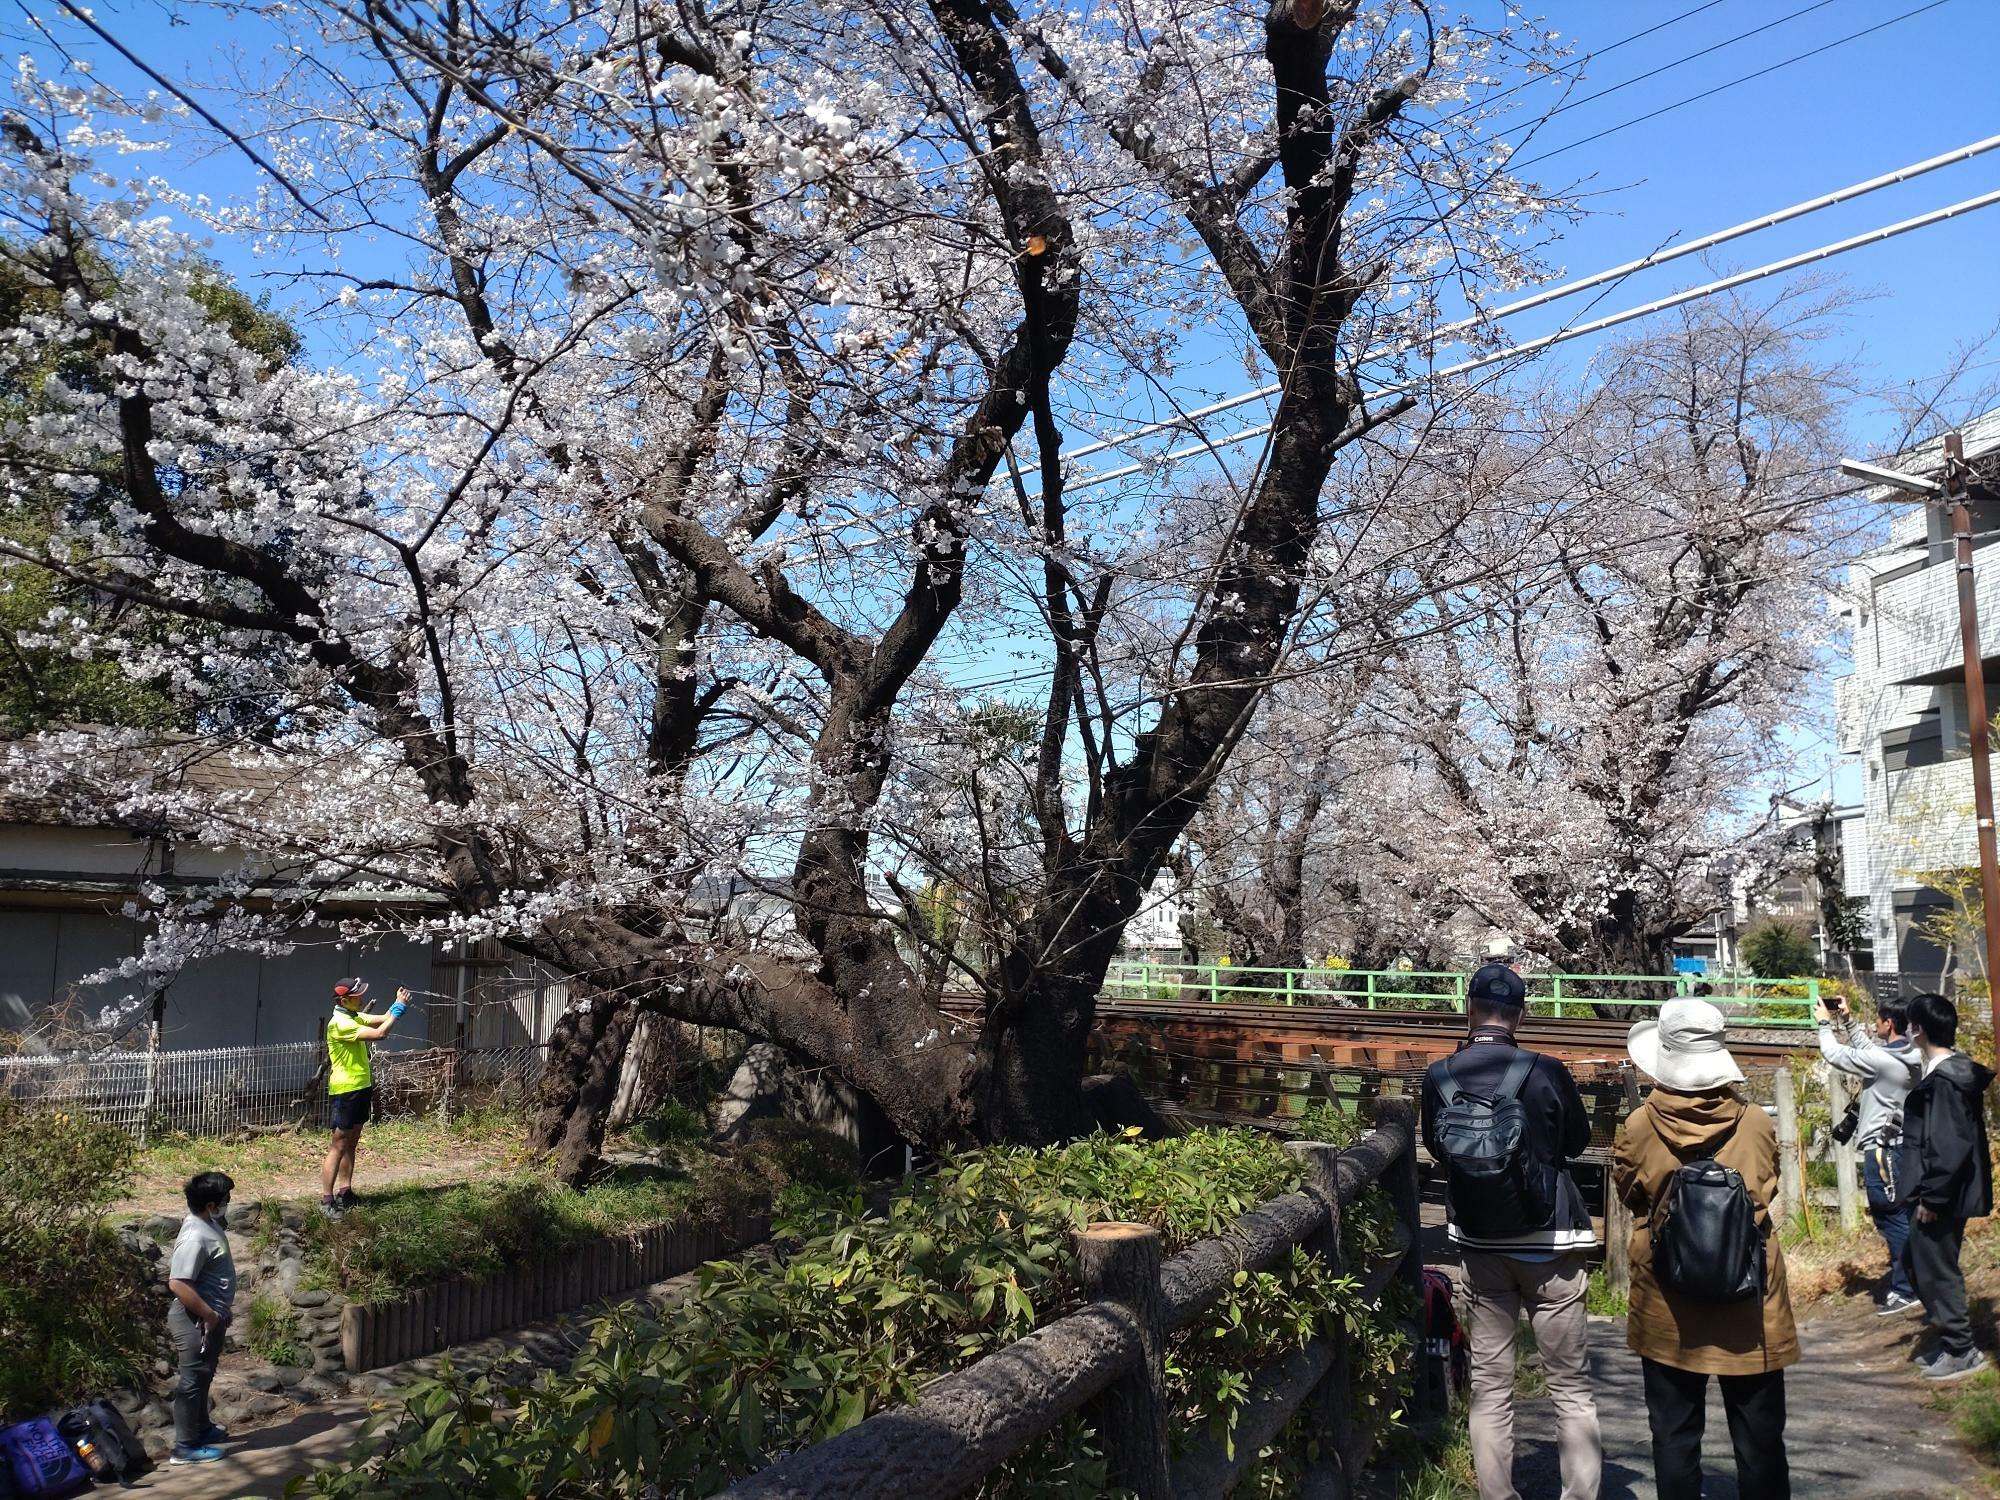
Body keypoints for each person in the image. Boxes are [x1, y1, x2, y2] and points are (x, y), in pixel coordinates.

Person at [1421, 962, 1599, 1500]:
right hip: (1550, 1243)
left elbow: (1437, 1149)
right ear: (1520, 1014)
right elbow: (1575, 1142)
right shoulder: (1546, 1069)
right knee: (1569, 1386)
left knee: (1491, 1388)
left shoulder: (1440, 1075)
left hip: (1480, 1244)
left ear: (1468, 1007)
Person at [1615, 998, 1796, 1500]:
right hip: (1750, 1301)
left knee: (1674, 1438)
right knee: (1759, 1441)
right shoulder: (1756, 1121)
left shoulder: (1638, 1126)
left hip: (1668, 1303)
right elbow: (1768, 1188)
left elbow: (1631, 1195)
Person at [1896, 990, 1995, 1381]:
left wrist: (1933, 1197)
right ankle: (1951, 1337)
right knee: (1917, 1262)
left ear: (1917, 1029)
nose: (1906, 1028)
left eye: (1908, 1022)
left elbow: (1950, 1144)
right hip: (1940, 1190)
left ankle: (1962, 1349)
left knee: (1937, 1268)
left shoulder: (1946, 1082)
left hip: (1941, 1195)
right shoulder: (1948, 1073)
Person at [1816, 993, 1923, 1314]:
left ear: (1888, 1023)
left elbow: (1832, 1053)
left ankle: (1906, 1289)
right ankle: (1915, 1277)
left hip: (1883, 1150)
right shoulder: (1909, 1055)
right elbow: (1869, 1051)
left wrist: (1824, 1023)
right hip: (1899, 1145)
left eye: (1877, 1019)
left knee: (1890, 1215)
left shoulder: (1884, 1062)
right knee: (1901, 1214)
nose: (1874, 1023)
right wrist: (1846, 1020)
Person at [165, 1171, 237, 1466]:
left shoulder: (208, 1223)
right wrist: (208, 1314)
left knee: (205, 1374)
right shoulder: (195, 1236)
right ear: (210, 1205)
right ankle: (184, 1447)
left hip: (211, 1318)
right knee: (192, 1381)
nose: (229, 1203)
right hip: (194, 1320)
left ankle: (202, 1428)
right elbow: (178, 1283)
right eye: (226, 1200)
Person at [322, 976, 409, 1215]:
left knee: (352, 1142)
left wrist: (397, 1002)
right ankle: (327, 1200)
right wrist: (399, 1007)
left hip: (360, 1087)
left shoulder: (352, 1016)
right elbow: (381, 1032)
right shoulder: (340, 1023)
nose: (361, 999)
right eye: (357, 996)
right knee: (338, 1145)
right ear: (344, 1000)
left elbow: (381, 1018)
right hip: (345, 1090)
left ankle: (345, 1191)